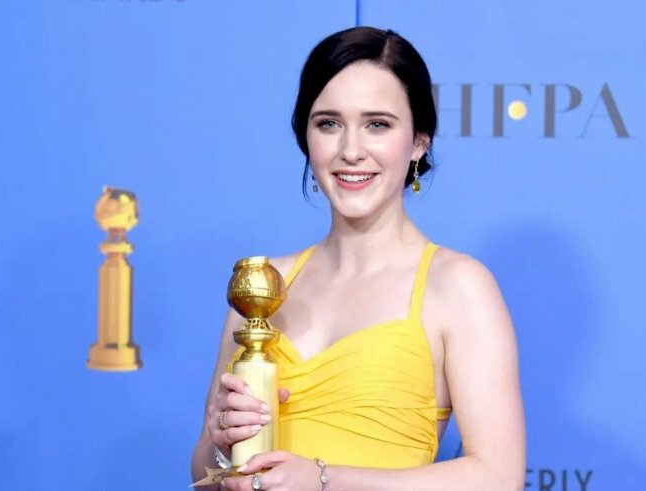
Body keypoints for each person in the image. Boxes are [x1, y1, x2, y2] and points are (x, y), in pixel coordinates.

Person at [191, 26, 525, 490]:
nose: (350, 151)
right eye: (328, 123)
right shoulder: (262, 285)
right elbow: (204, 477)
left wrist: (323, 479)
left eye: (377, 125)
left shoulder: (457, 285)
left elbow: (498, 477)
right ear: (306, 137)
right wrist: (223, 441)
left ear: (419, 141)